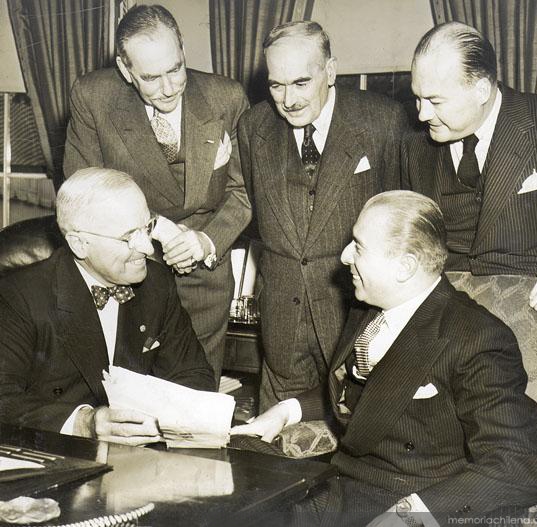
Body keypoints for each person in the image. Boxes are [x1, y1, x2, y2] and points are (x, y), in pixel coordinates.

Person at [233, 190, 537, 526]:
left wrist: (413, 515)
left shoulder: (475, 337)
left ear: (405, 267)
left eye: (358, 246)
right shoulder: (366, 307)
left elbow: (520, 464)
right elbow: (357, 394)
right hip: (336, 486)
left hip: (401, 503)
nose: (343, 257)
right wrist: (286, 411)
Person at [63, 4, 251, 383]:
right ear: (124, 69)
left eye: (176, 69)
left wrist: (205, 241)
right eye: (150, 77)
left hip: (204, 277)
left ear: (182, 48)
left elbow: (243, 191)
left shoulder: (226, 97)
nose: (168, 89)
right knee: (130, 404)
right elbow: (83, 196)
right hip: (129, 273)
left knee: (196, 404)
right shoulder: (94, 97)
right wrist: (156, 230)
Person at [238, 21, 408, 409]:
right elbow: (253, 213)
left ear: (330, 71)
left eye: (301, 83)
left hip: (355, 316)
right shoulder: (253, 128)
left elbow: (403, 219)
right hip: (281, 324)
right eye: (276, 85)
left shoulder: (383, 122)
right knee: (273, 450)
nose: (289, 100)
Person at [0, 168, 215, 446]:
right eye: (128, 237)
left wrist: (165, 422)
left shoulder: (157, 283)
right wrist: (84, 423)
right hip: (56, 454)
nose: (148, 248)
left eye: (146, 228)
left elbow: (193, 375)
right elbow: (4, 400)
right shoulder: (19, 296)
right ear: (79, 244)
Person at [402, 21, 537, 311]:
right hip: (451, 315)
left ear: (482, 90)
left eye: (434, 100)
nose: (422, 114)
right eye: (418, 98)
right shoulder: (413, 146)